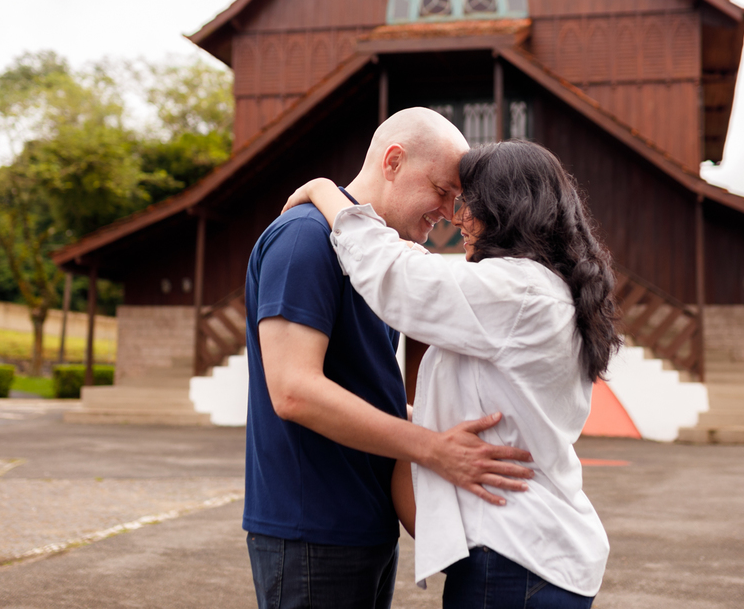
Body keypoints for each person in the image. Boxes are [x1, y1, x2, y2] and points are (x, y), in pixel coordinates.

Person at [283, 139, 620, 607]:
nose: (457, 218)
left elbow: (396, 276)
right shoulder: (540, 290)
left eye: (468, 203)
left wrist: (326, 191)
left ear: (505, 209)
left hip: (513, 560)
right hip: (531, 558)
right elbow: (486, 404)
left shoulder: (518, 291)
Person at [244, 108, 536, 609]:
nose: (449, 212)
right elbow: (293, 390)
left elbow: (366, 390)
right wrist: (432, 446)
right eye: (443, 190)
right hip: (311, 525)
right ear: (394, 161)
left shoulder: (383, 261)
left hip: (366, 523)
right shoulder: (305, 239)